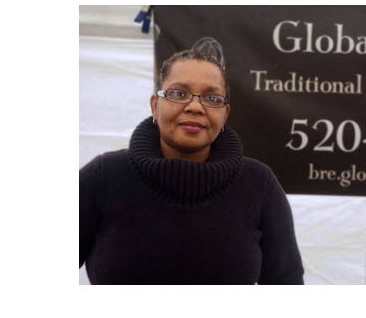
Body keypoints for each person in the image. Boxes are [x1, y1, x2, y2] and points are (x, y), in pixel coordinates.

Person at [79, 49, 304, 284]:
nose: (195, 107)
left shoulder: (258, 185)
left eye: (212, 98)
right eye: (179, 93)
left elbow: (287, 282)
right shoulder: (104, 177)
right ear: (155, 105)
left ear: (225, 114)